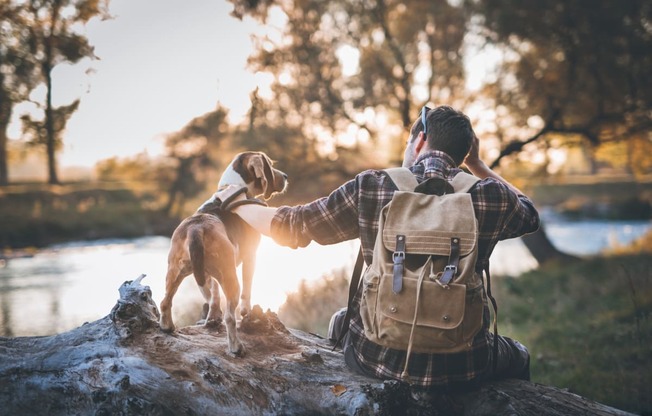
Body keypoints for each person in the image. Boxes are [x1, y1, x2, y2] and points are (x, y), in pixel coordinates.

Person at [218, 105, 540, 389]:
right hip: (466, 365)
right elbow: (530, 213)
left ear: (420, 140)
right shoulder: (490, 197)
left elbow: (292, 226)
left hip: (374, 357)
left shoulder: (373, 186)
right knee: (519, 354)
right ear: (463, 153)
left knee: (343, 320)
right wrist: (479, 164)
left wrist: (234, 203)